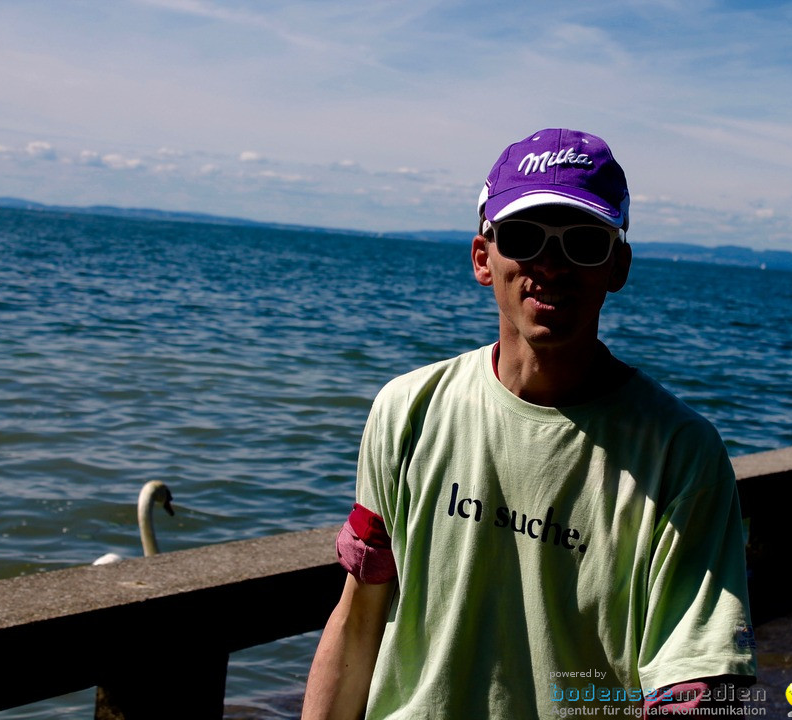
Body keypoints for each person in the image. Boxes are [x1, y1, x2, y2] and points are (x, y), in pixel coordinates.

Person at [302, 128, 756, 720]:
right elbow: (359, 616)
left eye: (583, 242)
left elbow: (694, 685)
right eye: (523, 237)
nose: (550, 263)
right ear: (482, 258)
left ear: (617, 265)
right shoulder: (406, 410)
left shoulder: (680, 453)